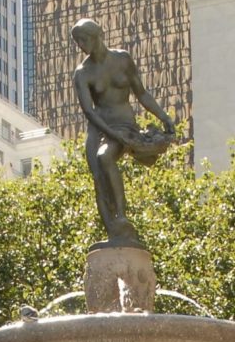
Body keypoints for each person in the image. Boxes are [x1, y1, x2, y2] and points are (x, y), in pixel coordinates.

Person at [71, 18, 176, 247]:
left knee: (105, 156)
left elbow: (142, 94)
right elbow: (89, 112)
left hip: (125, 125)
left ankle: (121, 215)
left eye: (84, 38)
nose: (81, 44)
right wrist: (111, 134)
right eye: (77, 41)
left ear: (97, 34)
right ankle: (115, 229)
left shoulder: (122, 59)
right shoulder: (83, 73)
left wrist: (164, 117)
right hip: (99, 128)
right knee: (99, 176)